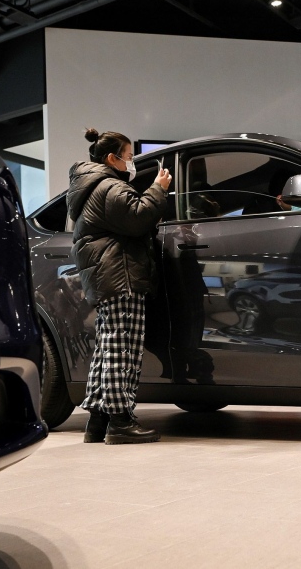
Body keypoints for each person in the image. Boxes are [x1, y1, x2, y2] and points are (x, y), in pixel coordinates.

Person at [67, 128, 171, 444]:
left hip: (108, 275)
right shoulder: (109, 186)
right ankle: (121, 421)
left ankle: (97, 421)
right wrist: (158, 188)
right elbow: (139, 216)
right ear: (112, 158)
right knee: (122, 349)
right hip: (121, 274)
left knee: (109, 346)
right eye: (128, 156)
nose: (131, 162)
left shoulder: (90, 187)